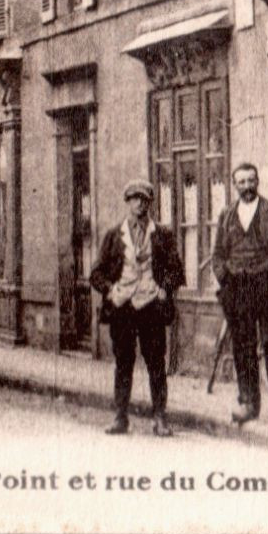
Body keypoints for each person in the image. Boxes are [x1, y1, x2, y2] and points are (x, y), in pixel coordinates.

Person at [88, 179, 185, 437]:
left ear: (149, 203)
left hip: (151, 306)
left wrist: (165, 287)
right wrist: (111, 289)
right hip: (123, 309)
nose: (139, 204)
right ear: (127, 202)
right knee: (123, 363)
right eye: (134, 199)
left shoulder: (162, 235)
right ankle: (121, 418)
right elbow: (95, 273)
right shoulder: (114, 235)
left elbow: (177, 271)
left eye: (143, 199)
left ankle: (160, 418)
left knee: (156, 364)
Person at [210, 163, 268, 426]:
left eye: (251, 181)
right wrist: (225, 280)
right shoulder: (226, 214)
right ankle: (248, 402)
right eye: (241, 182)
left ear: (258, 181)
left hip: (266, 285)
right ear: (234, 185)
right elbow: (218, 255)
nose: (246, 186)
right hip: (237, 288)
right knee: (242, 346)